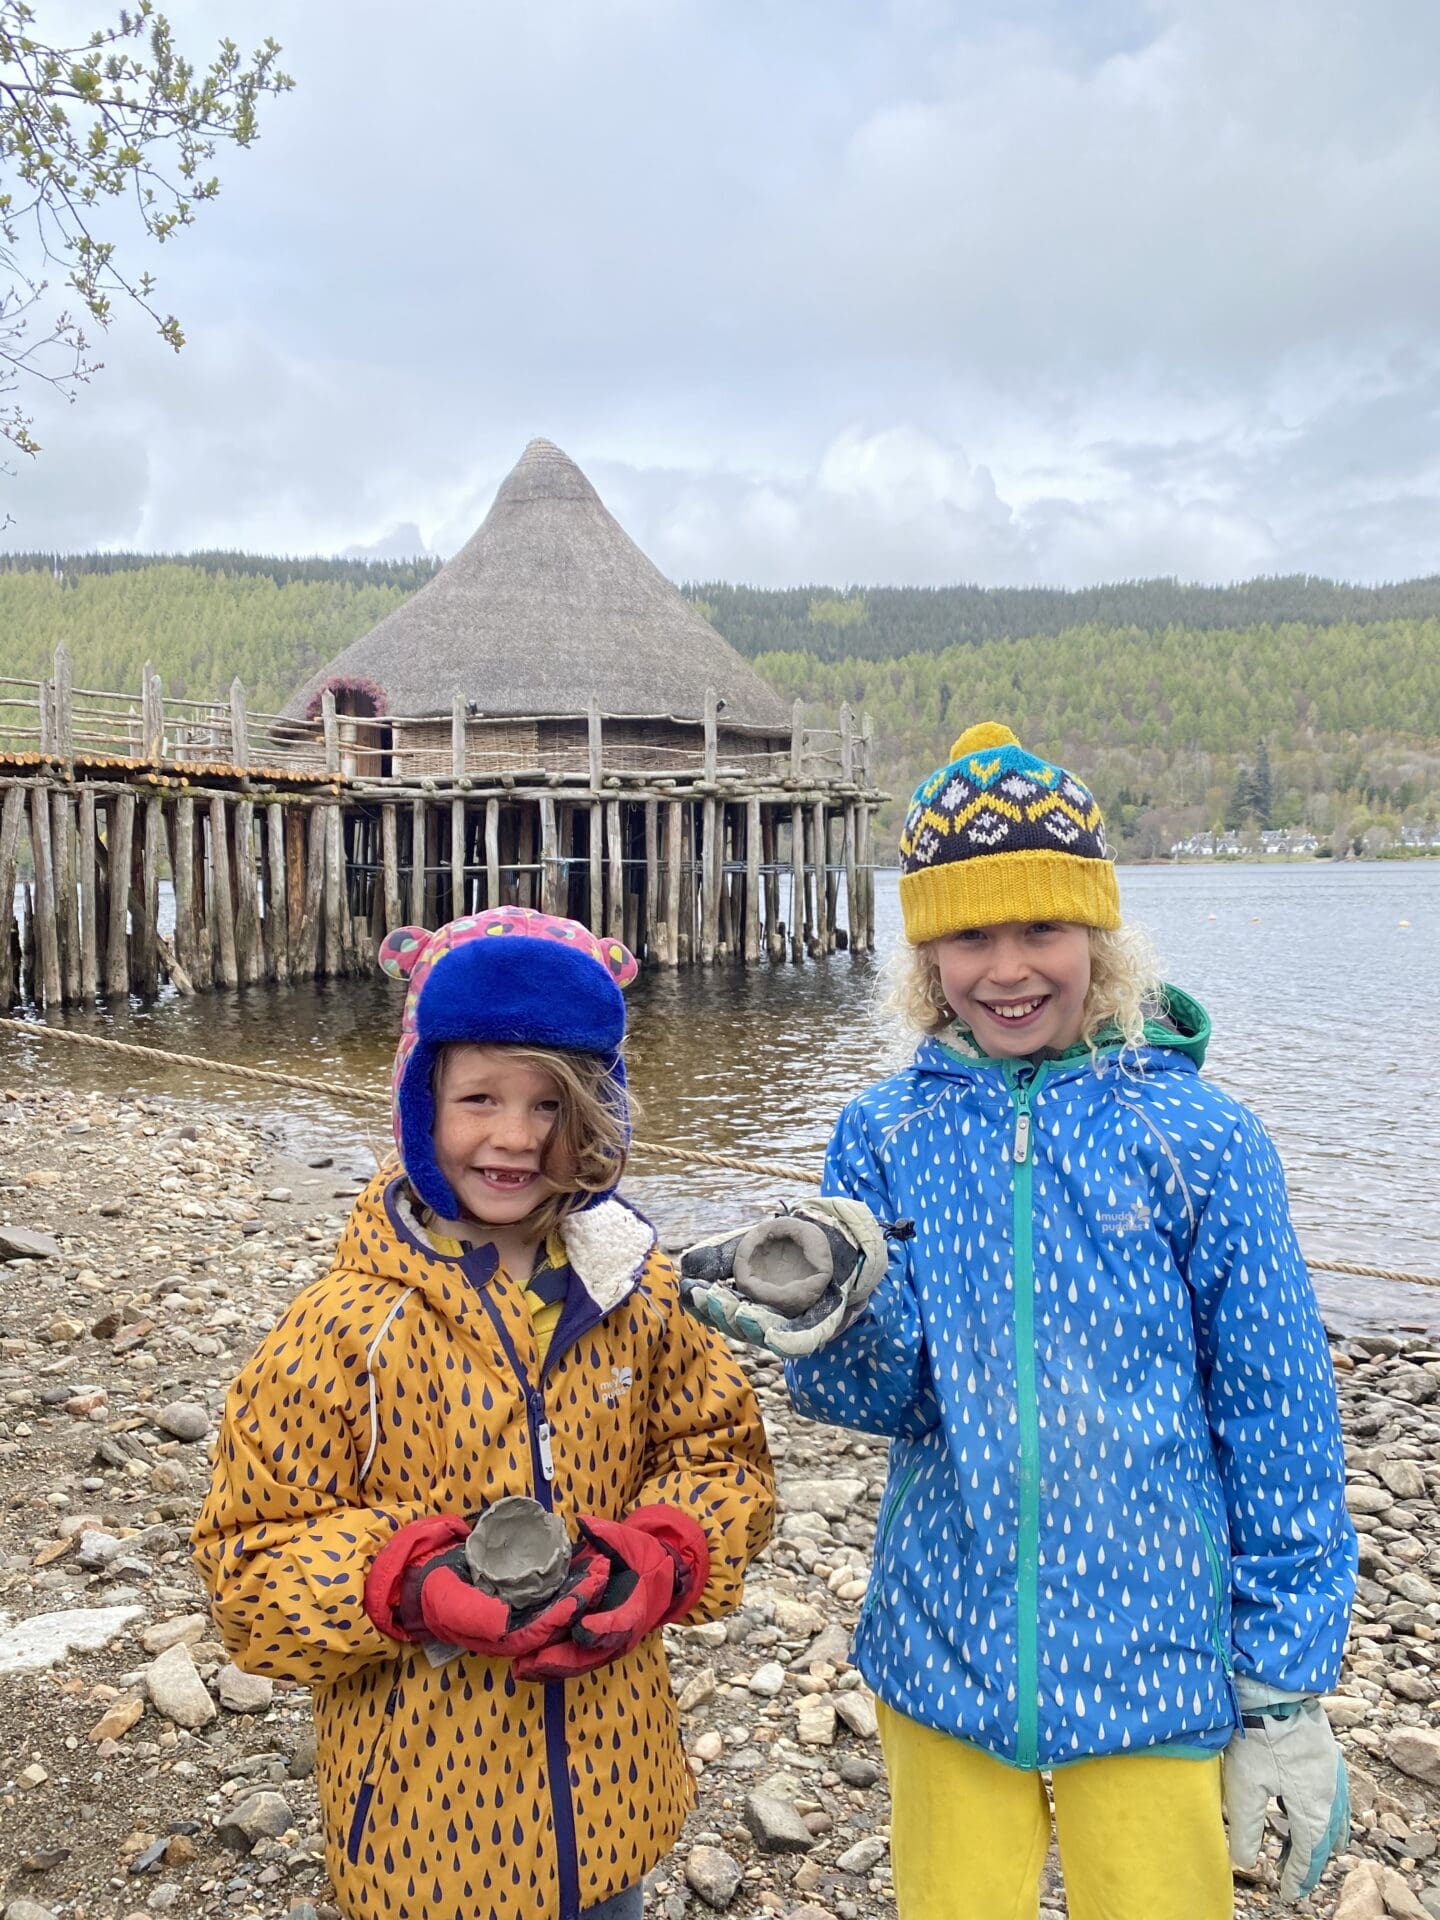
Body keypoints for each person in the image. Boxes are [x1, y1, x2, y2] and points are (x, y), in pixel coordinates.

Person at [683, 724, 1356, 1919]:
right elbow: (882, 1404)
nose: (1008, 968)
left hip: (1158, 1658)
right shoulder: (882, 1132)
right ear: (927, 952)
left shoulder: (1201, 1139)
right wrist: (834, 1323)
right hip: (941, 1637)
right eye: (969, 935)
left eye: (1040, 928)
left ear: (1099, 933)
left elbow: (1278, 1414)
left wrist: (1284, 1686)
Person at [193, 907, 776, 1920]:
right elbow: (247, 1572)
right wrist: (402, 1585)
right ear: (420, 1102)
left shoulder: (638, 1291)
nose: (515, 1137)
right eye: (478, 1099)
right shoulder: (345, 1326)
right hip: (423, 1840)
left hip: (611, 1812)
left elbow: (725, 1462)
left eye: (553, 1105)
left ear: (601, 1113)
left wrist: (668, 1554)